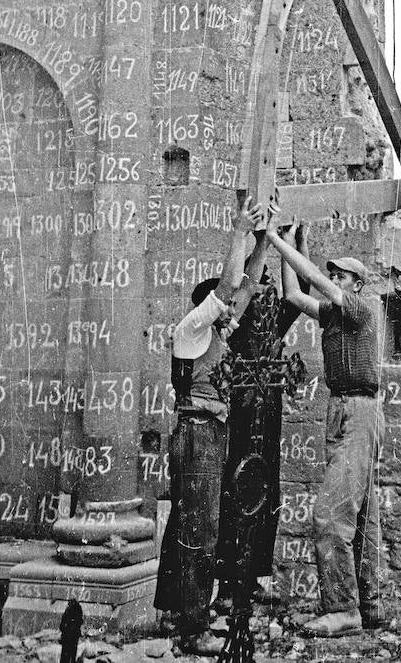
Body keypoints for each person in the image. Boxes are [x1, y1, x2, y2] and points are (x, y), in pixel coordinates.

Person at [265, 213, 386, 638]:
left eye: (341, 276)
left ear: (356, 284)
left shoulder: (361, 310)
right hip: (345, 411)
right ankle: (368, 605)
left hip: (358, 411)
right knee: (362, 514)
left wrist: (275, 242)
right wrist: (292, 241)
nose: (333, 279)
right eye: (333, 272)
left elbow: (314, 279)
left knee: (329, 515)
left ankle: (342, 609)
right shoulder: (334, 318)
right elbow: (294, 293)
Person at [154, 195, 264, 652]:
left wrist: (265, 240)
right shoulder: (191, 330)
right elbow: (229, 287)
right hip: (197, 432)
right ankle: (192, 628)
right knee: (200, 529)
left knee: (189, 522)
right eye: (221, 310)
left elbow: (247, 286)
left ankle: (175, 613)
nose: (229, 316)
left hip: (208, 433)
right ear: (207, 309)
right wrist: (239, 233)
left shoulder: (213, 336)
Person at [214, 229, 311, 607]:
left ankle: (252, 576)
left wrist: (298, 243)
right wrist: (261, 245)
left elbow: (300, 289)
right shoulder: (233, 314)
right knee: (235, 484)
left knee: (266, 484)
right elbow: (235, 290)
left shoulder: (274, 319)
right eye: (259, 285)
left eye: (269, 287)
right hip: (239, 404)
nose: (266, 292)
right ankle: (226, 583)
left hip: (267, 407)